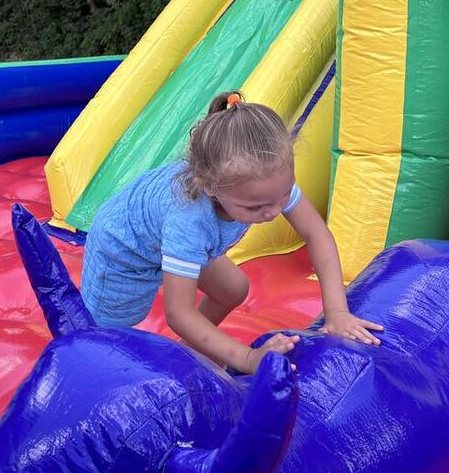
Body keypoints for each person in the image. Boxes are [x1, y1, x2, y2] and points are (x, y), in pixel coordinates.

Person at [80, 91, 383, 375]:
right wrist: (248, 358)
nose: (273, 212)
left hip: (166, 235)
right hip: (124, 253)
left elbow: (317, 234)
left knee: (233, 289)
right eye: (254, 208)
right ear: (210, 187)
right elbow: (178, 312)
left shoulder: (267, 185)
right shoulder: (189, 220)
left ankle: (188, 354)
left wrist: (336, 312)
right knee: (105, 342)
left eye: (282, 197)